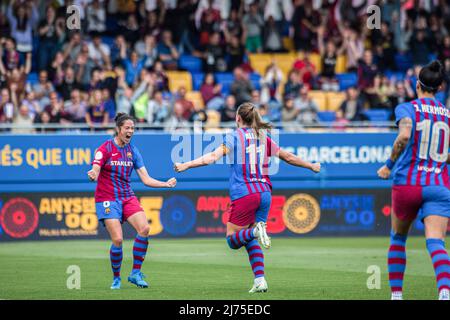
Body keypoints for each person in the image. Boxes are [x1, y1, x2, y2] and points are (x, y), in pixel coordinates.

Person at [174, 103, 320, 293]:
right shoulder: (262, 137)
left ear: (238, 118)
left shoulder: (234, 137)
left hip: (245, 194)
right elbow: (288, 157)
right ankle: (260, 280)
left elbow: (212, 157)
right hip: (265, 193)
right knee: (250, 240)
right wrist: (311, 166)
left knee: (232, 240)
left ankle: (254, 232)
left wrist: (187, 165)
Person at [377, 61, 450, 301]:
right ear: (439, 87)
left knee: (398, 238)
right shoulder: (447, 115)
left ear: (417, 84)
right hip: (439, 184)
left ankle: (397, 295)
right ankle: (444, 292)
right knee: (436, 242)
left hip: (408, 182)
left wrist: (388, 166)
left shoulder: (407, 108)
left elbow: (404, 136)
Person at [88, 113, 177, 290]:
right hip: (107, 199)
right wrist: (93, 173)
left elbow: (146, 179)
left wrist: (165, 184)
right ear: (118, 129)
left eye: (133, 128)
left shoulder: (133, 151)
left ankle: (135, 273)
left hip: (127, 196)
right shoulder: (104, 149)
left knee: (144, 228)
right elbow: (96, 167)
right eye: (127, 128)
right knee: (118, 240)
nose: (130, 131)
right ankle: (116, 278)